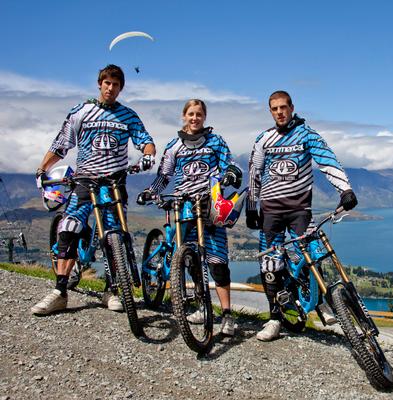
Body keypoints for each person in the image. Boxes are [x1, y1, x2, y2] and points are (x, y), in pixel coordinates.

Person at [31, 64, 156, 315]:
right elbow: (61, 145)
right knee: (68, 229)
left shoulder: (129, 116)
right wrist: (42, 169)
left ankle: (111, 290)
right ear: (99, 84)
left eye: (116, 84)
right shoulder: (81, 112)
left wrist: (148, 156)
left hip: (114, 183)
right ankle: (60, 292)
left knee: (115, 237)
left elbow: (146, 141)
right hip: (85, 181)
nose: (111, 88)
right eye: (107, 83)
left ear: (121, 88)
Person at [246, 90, 358, 341]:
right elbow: (254, 172)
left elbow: (327, 161)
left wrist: (346, 190)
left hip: (299, 210)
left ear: (292, 107)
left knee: (313, 255)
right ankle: (274, 319)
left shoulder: (307, 135)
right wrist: (251, 208)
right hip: (271, 212)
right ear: (270, 111)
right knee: (269, 266)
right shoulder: (263, 139)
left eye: (283, 107)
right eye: (274, 108)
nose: (279, 112)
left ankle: (323, 303)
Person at [137, 99, 242, 337]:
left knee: (218, 262)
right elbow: (164, 175)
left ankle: (226, 315)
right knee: (190, 258)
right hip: (183, 206)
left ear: (204, 117)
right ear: (184, 116)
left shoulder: (215, 141)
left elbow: (230, 164)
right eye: (191, 114)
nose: (195, 118)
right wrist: (151, 192)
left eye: (199, 114)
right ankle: (201, 306)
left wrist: (231, 175)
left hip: (210, 205)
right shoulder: (174, 145)